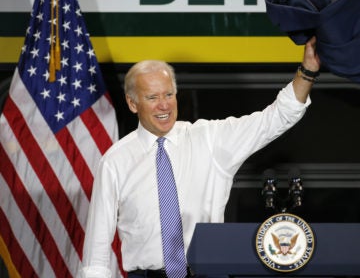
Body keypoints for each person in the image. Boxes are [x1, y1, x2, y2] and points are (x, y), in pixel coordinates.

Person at [79, 36, 321, 278]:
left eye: (168, 94)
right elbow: (97, 250)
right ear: (132, 104)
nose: (164, 105)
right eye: (152, 98)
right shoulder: (115, 160)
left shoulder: (210, 139)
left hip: (207, 273)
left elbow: (277, 117)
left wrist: (307, 71)